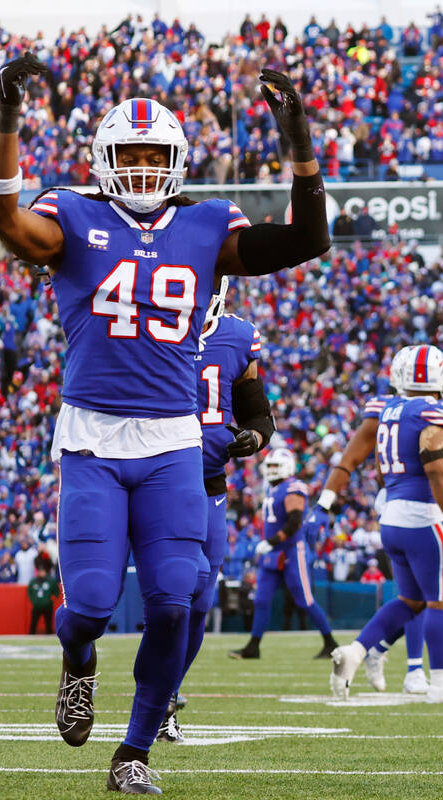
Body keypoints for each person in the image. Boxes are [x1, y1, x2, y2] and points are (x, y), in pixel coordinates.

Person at [0, 55, 328, 793]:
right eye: (129, 156)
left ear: (176, 163)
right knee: (93, 605)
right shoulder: (73, 213)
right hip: (93, 438)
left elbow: (306, 240)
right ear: (105, 161)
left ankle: (133, 753)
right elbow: (2, 220)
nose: (141, 169)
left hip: (172, 439)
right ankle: (77, 662)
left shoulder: (205, 223)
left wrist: (298, 141)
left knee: (176, 597)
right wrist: (7, 125)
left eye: (153, 156)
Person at [315, 351, 443, 695]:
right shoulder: (435, 411)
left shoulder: (386, 409)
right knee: (441, 601)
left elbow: (374, 462)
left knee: (411, 599)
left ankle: (356, 653)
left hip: (392, 517)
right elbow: (436, 467)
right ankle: (441, 683)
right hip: (424, 515)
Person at [158, 279, 275, 743]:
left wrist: (256, 437)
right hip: (159, 477)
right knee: (173, 593)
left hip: (209, 480)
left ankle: (167, 694)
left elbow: (258, 413)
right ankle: (151, 689)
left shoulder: (238, 336)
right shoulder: (148, 325)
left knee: (202, 599)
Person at [229, 448, 339, 661]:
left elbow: (295, 522)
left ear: (287, 467)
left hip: (291, 551)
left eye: (275, 466)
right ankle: (253, 646)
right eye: (269, 466)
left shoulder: (293, 487)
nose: (271, 470)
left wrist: (270, 542)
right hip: (272, 553)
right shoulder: (273, 488)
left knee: (305, 601)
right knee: (260, 600)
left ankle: (330, 643)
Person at [28, 560, 59, 635]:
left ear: (45, 572)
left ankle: (49, 636)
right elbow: (29, 592)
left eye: (43, 571)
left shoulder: (51, 581)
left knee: (48, 624)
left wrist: (50, 600)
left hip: (47, 606)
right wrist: (34, 601)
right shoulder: (33, 581)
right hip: (36, 606)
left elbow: (57, 592)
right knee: (33, 624)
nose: (41, 573)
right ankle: (31, 636)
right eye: (40, 571)